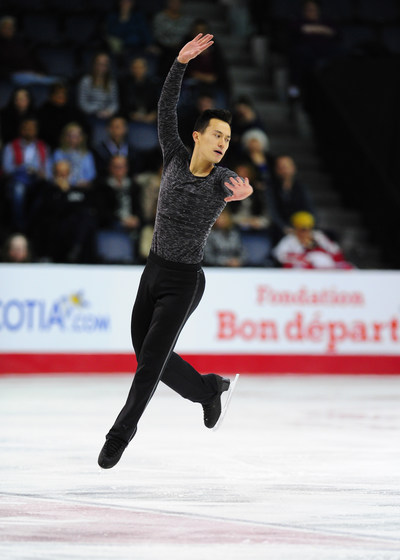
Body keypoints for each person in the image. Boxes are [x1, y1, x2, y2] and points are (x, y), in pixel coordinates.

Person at [98, 33, 253, 469]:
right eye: (217, 135)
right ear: (198, 135)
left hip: (185, 281)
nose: (223, 143)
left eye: (228, 138)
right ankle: (209, 390)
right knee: (147, 355)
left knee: (148, 366)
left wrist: (244, 193)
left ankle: (118, 436)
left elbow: (243, 186)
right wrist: (180, 63)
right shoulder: (172, 154)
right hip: (153, 272)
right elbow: (165, 107)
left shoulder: (222, 179)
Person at [272, 211, 353, 269]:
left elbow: (335, 251)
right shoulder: (290, 240)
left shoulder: (318, 236)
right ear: (296, 228)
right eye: (303, 229)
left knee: (348, 267)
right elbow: (279, 255)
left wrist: (317, 249)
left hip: (326, 269)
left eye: (309, 228)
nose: (306, 232)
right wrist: (303, 258)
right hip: (305, 271)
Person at [266, 154, 315, 240]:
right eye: (280, 167)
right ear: (276, 170)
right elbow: (272, 211)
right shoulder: (271, 187)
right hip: (280, 229)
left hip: (300, 225)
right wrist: (285, 228)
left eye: (286, 166)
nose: (284, 170)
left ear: (293, 168)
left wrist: (308, 226)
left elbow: (309, 208)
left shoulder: (300, 187)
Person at [77, 52, 119, 144]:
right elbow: (82, 104)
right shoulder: (86, 81)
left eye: (104, 64)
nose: (101, 67)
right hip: (90, 115)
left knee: (117, 125)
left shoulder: (111, 82)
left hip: (107, 116)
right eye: (99, 64)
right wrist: (97, 111)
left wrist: (109, 111)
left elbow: (114, 103)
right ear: (94, 65)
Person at [37, 83, 86, 150]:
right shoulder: (43, 111)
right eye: (58, 93)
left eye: (63, 93)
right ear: (51, 95)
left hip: (71, 147)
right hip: (49, 147)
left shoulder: (74, 111)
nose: (61, 96)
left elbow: (83, 129)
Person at [52, 122, 97, 187]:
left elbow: (91, 174)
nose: (73, 139)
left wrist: (83, 182)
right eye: (70, 136)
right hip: (62, 185)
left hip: (82, 186)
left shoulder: (87, 154)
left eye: (76, 136)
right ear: (65, 137)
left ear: (81, 138)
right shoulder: (58, 153)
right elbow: (56, 172)